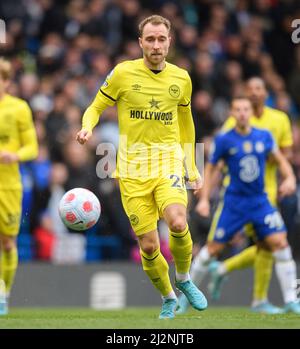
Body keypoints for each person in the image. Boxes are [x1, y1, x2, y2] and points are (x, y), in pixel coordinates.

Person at [76, 15, 207, 319]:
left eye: (161, 39)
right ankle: (167, 297)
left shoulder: (181, 78)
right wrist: (87, 127)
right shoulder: (123, 73)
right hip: (131, 171)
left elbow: (187, 127)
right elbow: (95, 106)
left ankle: (185, 278)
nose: (156, 45)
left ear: (169, 42)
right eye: (150, 39)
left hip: (167, 162)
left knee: (176, 221)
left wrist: (192, 167)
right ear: (140, 43)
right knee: (149, 247)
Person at [181, 77, 295, 314]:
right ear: (232, 113)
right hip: (234, 202)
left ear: (250, 112)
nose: (243, 113)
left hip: (262, 200)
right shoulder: (224, 139)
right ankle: (185, 298)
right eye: (238, 110)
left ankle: (291, 300)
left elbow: (281, 158)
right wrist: (203, 199)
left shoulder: (264, 135)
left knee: (279, 243)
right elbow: (213, 167)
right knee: (213, 248)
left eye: (246, 110)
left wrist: (290, 178)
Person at [0, 58, 38, 315]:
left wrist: (16, 155)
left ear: (6, 81)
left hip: (9, 186)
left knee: (7, 243)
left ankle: (4, 294)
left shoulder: (18, 108)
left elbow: (32, 147)